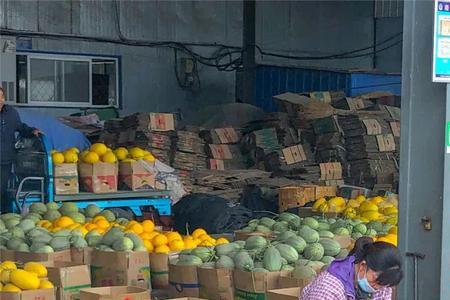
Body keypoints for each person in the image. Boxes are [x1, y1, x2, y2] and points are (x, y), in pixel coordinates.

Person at [300, 237, 403, 300]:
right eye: (376, 281)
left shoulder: (383, 284)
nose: (376, 288)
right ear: (363, 266)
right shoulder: (327, 290)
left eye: (383, 285)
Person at [0, 87, 40, 213]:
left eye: (1, 96)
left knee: (1, 189)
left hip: (4, 160)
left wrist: (32, 131)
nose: (0, 100)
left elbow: (20, 127)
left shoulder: (11, 112)